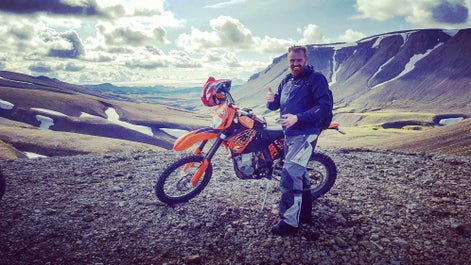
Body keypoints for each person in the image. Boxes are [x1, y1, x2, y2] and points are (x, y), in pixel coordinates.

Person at [266, 45, 333, 236]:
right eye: (292, 61)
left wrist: (298, 118)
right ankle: (304, 214)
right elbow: (276, 105)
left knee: (289, 175)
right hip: (290, 134)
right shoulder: (287, 79)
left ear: (306, 59)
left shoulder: (316, 79)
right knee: (300, 173)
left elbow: (324, 106)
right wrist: (271, 100)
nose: (295, 64)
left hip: (306, 134)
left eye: (299, 60)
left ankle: (289, 223)